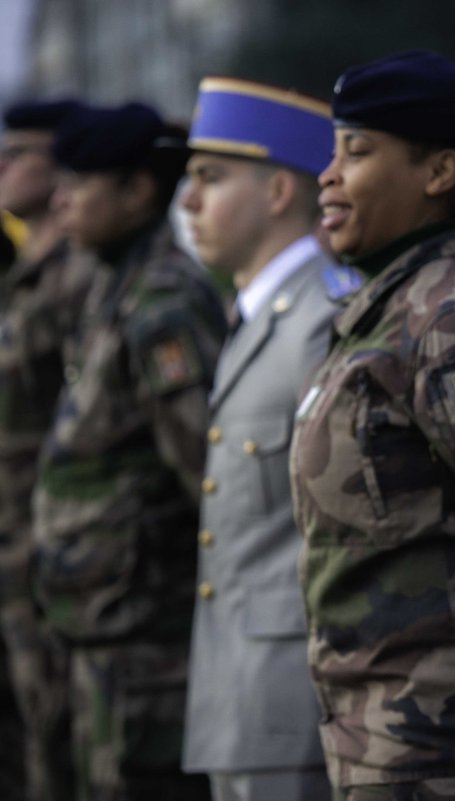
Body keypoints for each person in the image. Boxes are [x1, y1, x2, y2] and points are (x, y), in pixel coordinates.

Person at [288, 50, 455, 801]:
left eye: (359, 151)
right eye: (335, 150)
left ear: (438, 172)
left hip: (453, 756)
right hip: (379, 744)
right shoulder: (385, 313)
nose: (328, 174)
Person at [35, 101, 226, 801]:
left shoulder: (163, 300)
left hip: (151, 640)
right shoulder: (115, 283)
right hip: (106, 627)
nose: (59, 201)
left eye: (79, 185)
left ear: (138, 191)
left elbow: (205, 472)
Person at [178, 77, 362, 801]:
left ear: (282, 191)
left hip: (292, 695)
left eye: (211, 179)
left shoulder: (322, 316)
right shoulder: (256, 317)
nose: (188, 201)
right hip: (239, 694)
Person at [0, 97, 89, 801]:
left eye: (19, 152)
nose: (2, 164)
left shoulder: (81, 282)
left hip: (58, 569)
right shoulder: (24, 278)